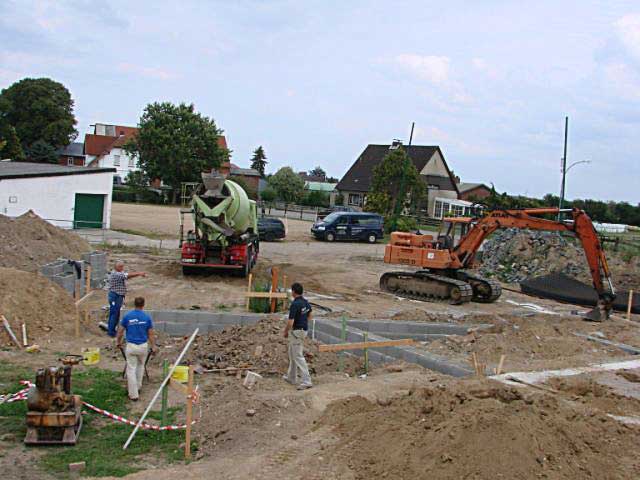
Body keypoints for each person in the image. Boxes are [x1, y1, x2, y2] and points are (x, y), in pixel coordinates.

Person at [116, 297, 157, 401]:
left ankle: (133, 394)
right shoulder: (146, 317)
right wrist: (153, 346)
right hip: (142, 346)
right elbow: (151, 333)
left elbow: (120, 331)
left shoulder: (128, 316)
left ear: (134, 304)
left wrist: (118, 342)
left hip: (131, 346)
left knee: (131, 369)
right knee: (140, 366)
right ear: (143, 305)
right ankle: (138, 387)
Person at [283, 282, 313, 390]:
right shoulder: (305, 302)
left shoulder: (295, 304)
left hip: (296, 332)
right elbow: (310, 314)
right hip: (301, 331)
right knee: (292, 354)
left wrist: (286, 332)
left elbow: (290, 322)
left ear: (294, 292)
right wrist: (304, 323)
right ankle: (292, 377)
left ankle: (307, 381)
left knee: (298, 356)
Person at [107, 261, 146, 337]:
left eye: (122, 266)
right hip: (115, 296)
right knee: (114, 314)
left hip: (118, 296)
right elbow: (127, 276)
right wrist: (139, 273)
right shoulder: (116, 274)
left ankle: (112, 330)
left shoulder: (118, 273)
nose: (122, 268)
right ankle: (111, 332)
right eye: (120, 267)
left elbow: (126, 275)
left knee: (116, 313)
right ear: (116, 267)